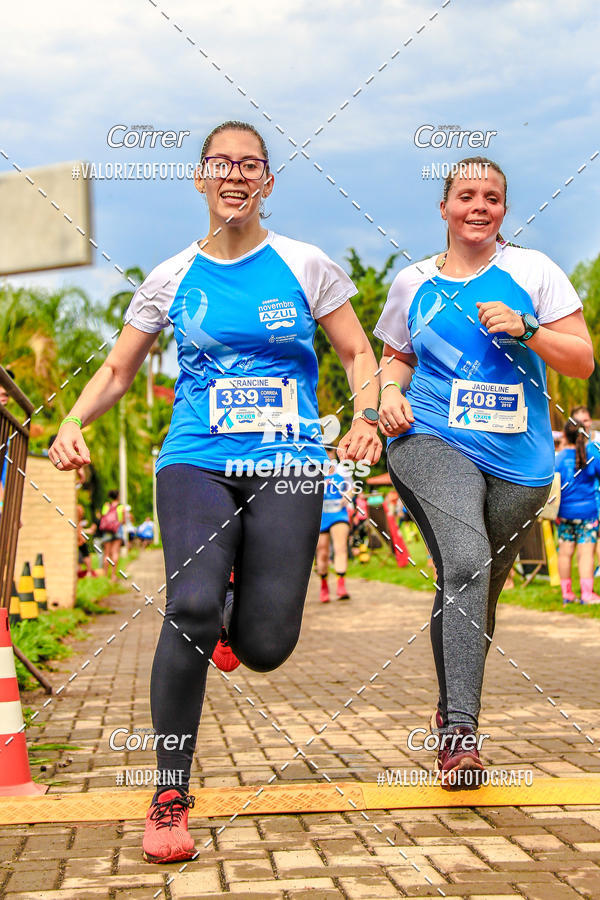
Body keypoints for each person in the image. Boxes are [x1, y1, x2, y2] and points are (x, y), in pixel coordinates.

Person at [49, 120, 381, 863]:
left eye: (251, 164)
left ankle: (238, 609)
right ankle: (169, 794)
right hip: (196, 457)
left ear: (268, 182)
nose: (235, 174)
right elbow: (116, 372)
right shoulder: (170, 276)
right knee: (189, 606)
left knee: (266, 646)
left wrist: (366, 418)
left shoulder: (305, 265)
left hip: (290, 463)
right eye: (220, 163)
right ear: (199, 178)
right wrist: (72, 419)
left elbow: (358, 352)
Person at [374, 156, 594, 789]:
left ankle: (452, 700)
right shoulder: (411, 281)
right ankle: (460, 736)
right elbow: (396, 356)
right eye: (465, 195)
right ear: (443, 208)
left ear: (503, 209)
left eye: (491, 197)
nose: (478, 205)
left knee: (479, 581)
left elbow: (581, 361)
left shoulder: (534, 271)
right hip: (430, 435)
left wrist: (527, 329)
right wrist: (390, 394)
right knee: (467, 563)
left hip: (519, 462)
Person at [555, 420, 600, 603]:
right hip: (587, 514)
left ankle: (567, 594)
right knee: (586, 554)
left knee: (565, 553)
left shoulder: (559, 458)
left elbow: (553, 484)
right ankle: (587, 594)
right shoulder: (592, 455)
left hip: (564, 513)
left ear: (565, 435)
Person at [316, 448, 353, 602]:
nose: (328, 455)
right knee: (322, 552)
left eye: (329, 452)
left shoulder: (342, 470)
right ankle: (324, 584)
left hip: (338, 512)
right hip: (321, 515)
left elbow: (351, 488)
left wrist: (347, 496)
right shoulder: (315, 471)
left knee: (340, 547)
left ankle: (341, 585)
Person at [570, 405, 600, 576]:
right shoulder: (571, 445)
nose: (584, 424)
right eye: (580, 421)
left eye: (586, 420)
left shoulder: (597, 441)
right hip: (583, 501)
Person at [98, 490, 125, 582]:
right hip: (117, 530)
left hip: (107, 531)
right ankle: (113, 576)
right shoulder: (121, 507)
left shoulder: (106, 506)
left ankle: (105, 575)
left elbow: (103, 517)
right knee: (115, 552)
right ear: (118, 496)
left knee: (107, 553)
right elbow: (123, 521)